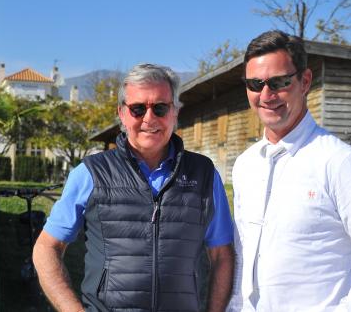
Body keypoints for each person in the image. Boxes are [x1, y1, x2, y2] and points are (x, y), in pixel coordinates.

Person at [227, 30, 351, 311]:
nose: (266, 94)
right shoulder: (245, 164)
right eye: (255, 83)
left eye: (278, 81)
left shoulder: (339, 161)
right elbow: (243, 255)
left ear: (305, 81)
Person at [33, 64, 234, 312]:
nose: (149, 118)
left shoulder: (204, 175)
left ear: (175, 112)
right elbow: (46, 247)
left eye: (160, 108)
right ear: (122, 113)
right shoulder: (90, 173)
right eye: (138, 109)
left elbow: (222, 254)